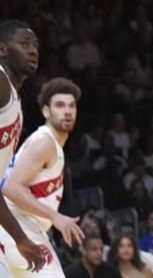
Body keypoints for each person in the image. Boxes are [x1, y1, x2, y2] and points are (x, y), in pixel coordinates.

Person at [0, 77, 85, 278]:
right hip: (18, 227)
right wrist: (55, 216)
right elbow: (10, 188)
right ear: (46, 111)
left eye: (72, 106)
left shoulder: (52, 144)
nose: (67, 111)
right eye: (60, 105)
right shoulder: (44, 142)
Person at [0, 20, 47, 273]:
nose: (33, 51)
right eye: (24, 44)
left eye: (35, 46)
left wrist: (20, 238)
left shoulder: (14, 100)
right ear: (1, 50)